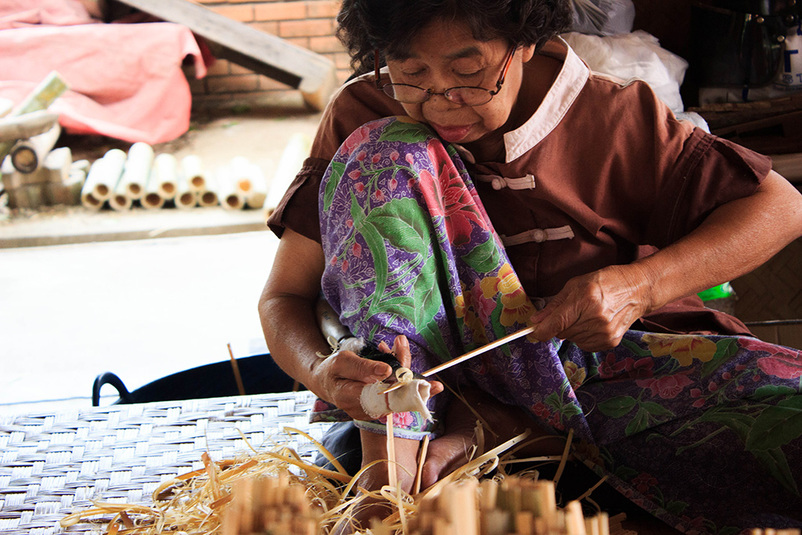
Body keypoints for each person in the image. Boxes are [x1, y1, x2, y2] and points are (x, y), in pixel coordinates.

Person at [259, 0, 802, 532]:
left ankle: (512, 429)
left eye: (469, 73)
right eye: (411, 73)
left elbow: (781, 207)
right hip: (429, 401)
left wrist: (640, 286)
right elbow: (282, 297)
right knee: (386, 149)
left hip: (598, 380)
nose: (442, 102)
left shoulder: (608, 115)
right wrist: (320, 372)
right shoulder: (366, 110)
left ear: (523, 42)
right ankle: (392, 483)